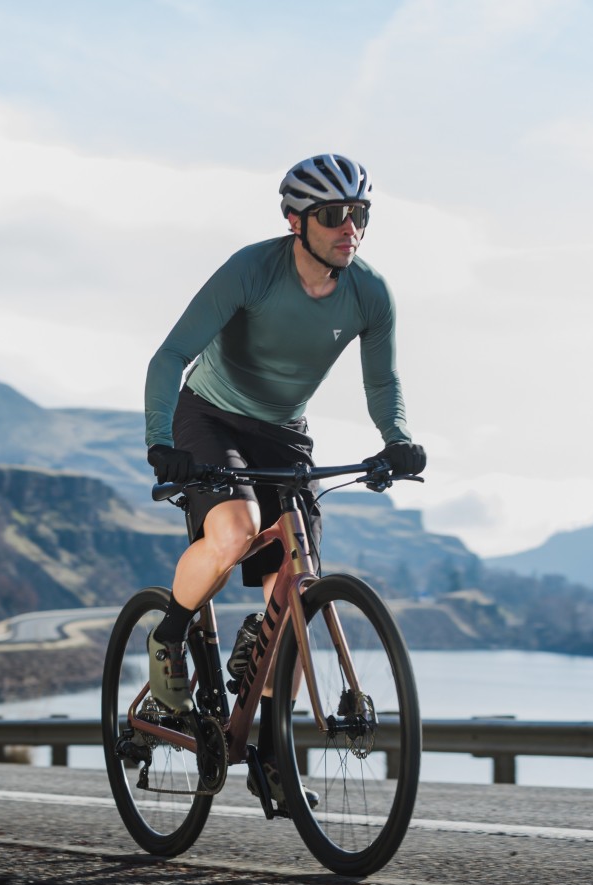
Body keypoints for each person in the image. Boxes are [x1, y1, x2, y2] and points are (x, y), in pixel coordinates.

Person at [142, 153, 426, 809]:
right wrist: (161, 443)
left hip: (283, 433)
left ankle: (271, 752)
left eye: (360, 214)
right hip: (209, 418)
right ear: (296, 222)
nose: (350, 227)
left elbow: (382, 381)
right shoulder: (252, 270)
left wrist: (397, 439)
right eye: (333, 215)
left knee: (292, 588)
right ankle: (169, 633)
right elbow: (170, 355)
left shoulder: (370, 293)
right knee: (235, 532)